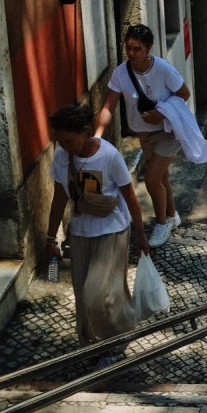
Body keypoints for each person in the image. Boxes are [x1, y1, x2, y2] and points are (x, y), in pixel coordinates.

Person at [45, 103, 149, 365]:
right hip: (80, 233)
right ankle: (95, 344)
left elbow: (130, 198)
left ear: (86, 131)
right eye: (61, 142)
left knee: (98, 293)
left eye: (69, 140)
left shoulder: (109, 156)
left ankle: (116, 342)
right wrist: (50, 239)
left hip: (112, 231)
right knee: (85, 295)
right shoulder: (61, 156)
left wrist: (141, 234)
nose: (66, 147)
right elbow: (59, 197)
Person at [95, 24, 190, 248]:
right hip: (144, 134)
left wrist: (160, 113)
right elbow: (109, 106)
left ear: (148, 50)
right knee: (162, 177)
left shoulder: (163, 69)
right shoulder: (121, 73)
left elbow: (184, 93)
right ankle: (172, 215)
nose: (131, 53)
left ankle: (161, 223)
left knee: (152, 178)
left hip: (168, 131)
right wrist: (97, 136)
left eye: (137, 49)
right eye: (128, 48)